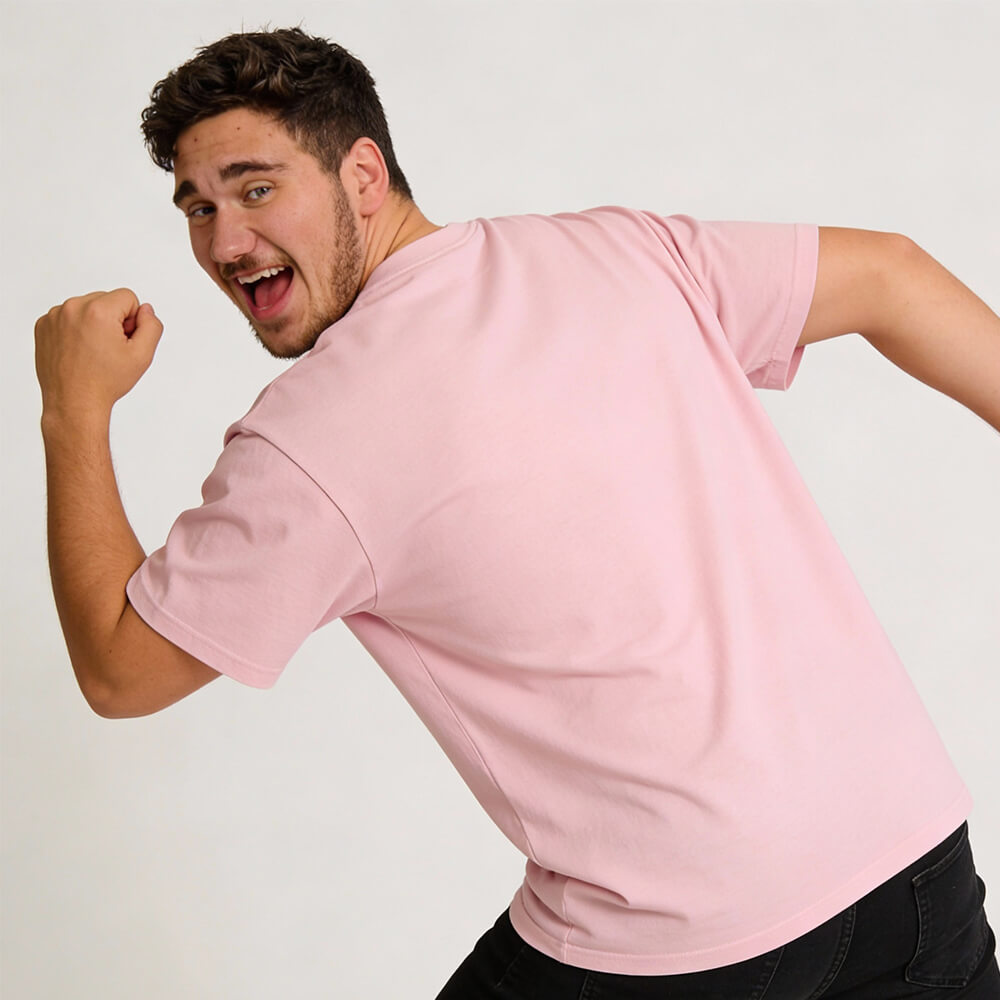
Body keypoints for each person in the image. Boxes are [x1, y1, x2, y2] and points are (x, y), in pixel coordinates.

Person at [34, 26, 1000, 998]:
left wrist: (72, 408)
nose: (223, 242)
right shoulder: (612, 251)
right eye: (196, 207)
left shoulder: (313, 438)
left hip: (681, 942)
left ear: (363, 173)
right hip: (911, 861)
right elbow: (891, 274)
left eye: (254, 188)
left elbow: (121, 669)